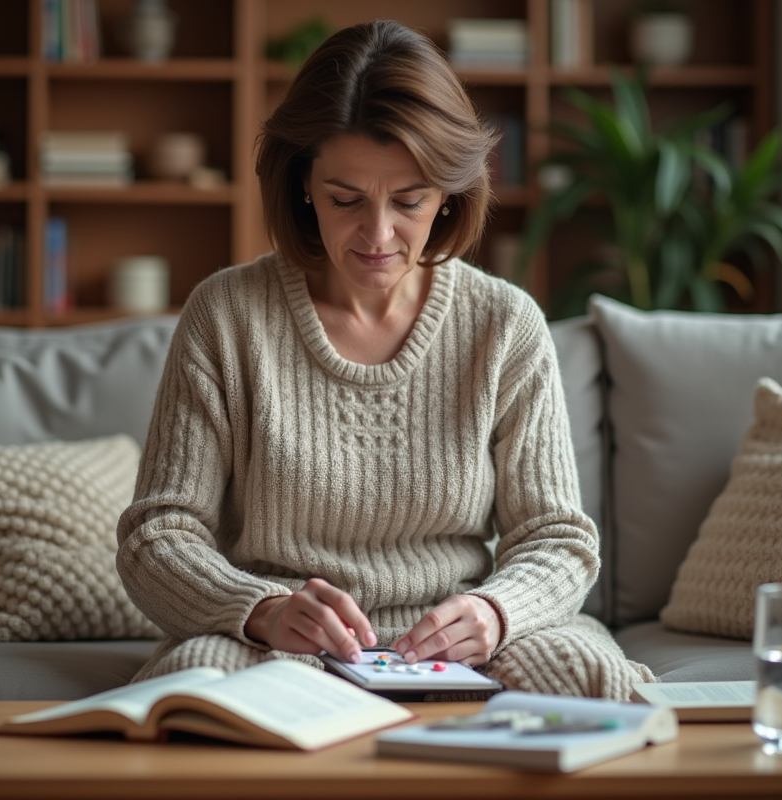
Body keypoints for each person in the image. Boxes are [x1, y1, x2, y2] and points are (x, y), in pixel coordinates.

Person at [117, 19, 654, 700]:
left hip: (465, 641)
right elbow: (158, 535)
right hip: (279, 640)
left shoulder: (503, 324)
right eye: (345, 199)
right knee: (198, 688)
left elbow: (557, 538)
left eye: (408, 201)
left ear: (449, 194)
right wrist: (261, 609)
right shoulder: (226, 316)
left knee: (583, 677)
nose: (377, 234)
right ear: (303, 185)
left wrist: (495, 612)